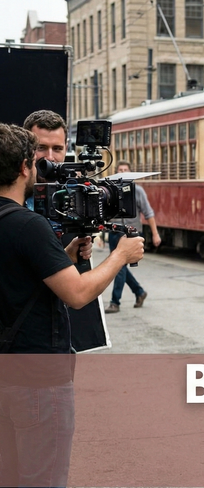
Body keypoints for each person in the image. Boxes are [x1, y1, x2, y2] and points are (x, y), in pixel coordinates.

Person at [0, 123, 144, 488]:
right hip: (37, 377)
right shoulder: (28, 226)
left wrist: (64, 253)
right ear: (25, 168)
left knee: (8, 486)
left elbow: (25, 276)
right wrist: (120, 256)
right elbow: (77, 294)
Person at [24, 110, 111, 352]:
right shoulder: (12, 197)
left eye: (57, 149)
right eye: (41, 148)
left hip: (61, 336)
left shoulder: (76, 192)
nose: (50, 157)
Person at [104, 160, 161, 314]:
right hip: (115, 233)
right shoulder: (111, 191)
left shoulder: (138, 191)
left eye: (125, 170)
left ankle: (115, 302)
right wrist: (103, 236)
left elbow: (148, 213)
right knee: (119, 266)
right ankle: (139, 292)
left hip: (131, 234)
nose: (122, 173)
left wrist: (155, 234)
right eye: (120, 170)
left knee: (119, 266)